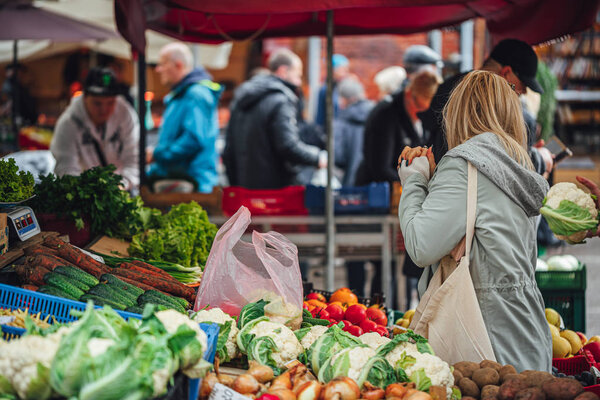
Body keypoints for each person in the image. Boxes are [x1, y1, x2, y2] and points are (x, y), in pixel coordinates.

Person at [398, 70, 551, 371]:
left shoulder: (464, 164)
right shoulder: (519, 162)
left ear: (458, 112)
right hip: (528, 332)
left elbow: (420, 246)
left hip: (484, 342)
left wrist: (414, 181)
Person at [352, 69, 441, 303]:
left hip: (401, 195)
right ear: (409, 94)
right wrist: (414, 179)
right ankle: (374, 307)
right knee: (381, 262)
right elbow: (379, 165)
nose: (422, 114)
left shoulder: (421, 116)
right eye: (419, 108)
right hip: (375, 197)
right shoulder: (385, 114)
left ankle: (387, 306)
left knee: (393, 262)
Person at [420, 39, 548, 166]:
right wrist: (536, 159)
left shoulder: (452, 86)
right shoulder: (484, 102)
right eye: (523, 84)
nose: (524, 92)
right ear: (506, 73)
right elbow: (496, 163)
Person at [223, 48, 326, 189]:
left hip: (244, 186)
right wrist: (317, 157)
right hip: (275, 189)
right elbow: (288, 145)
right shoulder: (281, 100)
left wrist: (235, 182)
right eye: (298, 75)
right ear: (283, 71)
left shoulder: (240, 98)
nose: (298, 82)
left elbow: (229, 147)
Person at [147, 42, 222, 193]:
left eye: (163, 63)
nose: (158, 69)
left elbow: (194, 140)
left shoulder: (195, 95)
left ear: (178, 65)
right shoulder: (181, 95)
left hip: (193, 184)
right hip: (180, 182)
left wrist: (158, 154)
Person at [51, 67, 139, 191]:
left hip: (122, 189)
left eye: (110, 103)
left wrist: (121, 185)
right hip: (84, 193)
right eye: (97, 103)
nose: (104, 110)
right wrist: (88, 192)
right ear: (85, 97)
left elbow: (133, 159)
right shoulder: (68, 124)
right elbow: (67, 169)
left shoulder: (126, 114)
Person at [334, 78, 374, 187]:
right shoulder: (376, 114)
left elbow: (338, 157)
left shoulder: (341, 121)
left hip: (351, 183)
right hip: (376, 184)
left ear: (345, 99)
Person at [315, 54, 350, 129]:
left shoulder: (347, 87)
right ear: (333, 70)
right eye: (342, 69)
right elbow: (320, 116)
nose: (345, 73)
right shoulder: (325, 90)